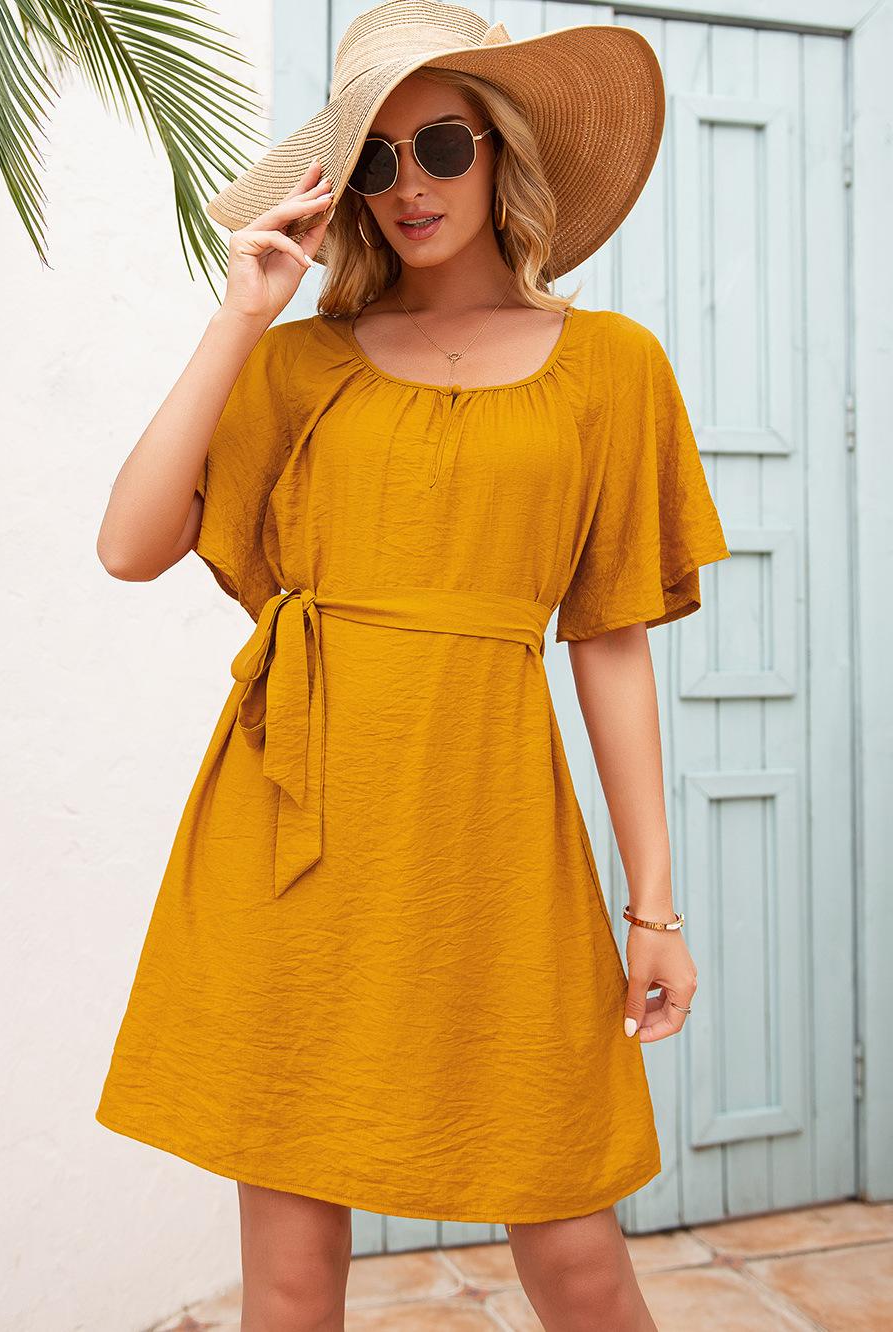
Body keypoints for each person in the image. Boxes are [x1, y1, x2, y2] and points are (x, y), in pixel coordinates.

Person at [94, 4, 730, 1329]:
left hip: (495, 837)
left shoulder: (613, 366)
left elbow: (611, 640)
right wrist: (243, 312)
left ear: (503, 154)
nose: (409, 187)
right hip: (295, 835)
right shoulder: (296, 364)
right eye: (374, 162)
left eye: (440, 146)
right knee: (289, 1274)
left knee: (576, 1255)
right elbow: (128, 545)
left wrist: (653, 905)